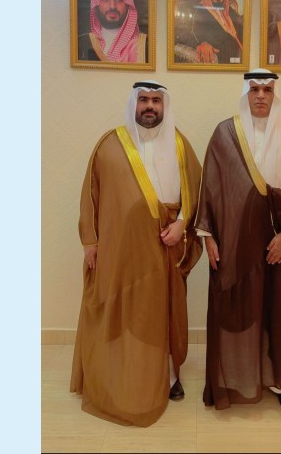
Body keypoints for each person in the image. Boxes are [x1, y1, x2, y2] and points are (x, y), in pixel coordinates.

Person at [71, 80, 204, 426]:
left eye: (156, 101)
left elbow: (196, 192)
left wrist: (181, 224)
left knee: (162, 311)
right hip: (120, 250)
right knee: (121, 309)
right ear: (134, 103)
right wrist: (90, 241)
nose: (149, 106)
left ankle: (169, 377)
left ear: (164, 106)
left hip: (163, 250)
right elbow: (90, 195)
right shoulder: (109, 145)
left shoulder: (180, 144)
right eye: (143, 99)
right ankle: (117, 373)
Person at [195, 69, 281, 415]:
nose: (261, 96)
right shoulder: (225, 133)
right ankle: (237, 377)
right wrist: (208, 238)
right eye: (254, 90)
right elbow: (211, 189)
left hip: (280, 243)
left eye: (267, 90)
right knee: (239, 310)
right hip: (237, 240)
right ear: (246, 93)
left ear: (275, 94)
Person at [173, 0, 244, 64]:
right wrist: (200, 44)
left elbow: (241, 26)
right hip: (223, 62)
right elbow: (181, 32)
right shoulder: (197, 10)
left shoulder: (228, 9)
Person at [78, 0, 149, 63]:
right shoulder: (81, 42)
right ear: (97, 4)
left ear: (127, 5)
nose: (112, 6)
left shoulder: (144, 44)